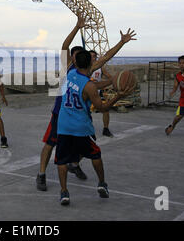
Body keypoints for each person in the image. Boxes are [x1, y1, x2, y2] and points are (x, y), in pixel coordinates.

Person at [36, 13, 137, 191]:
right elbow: (65, 45)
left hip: (81, 115)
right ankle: (42, 174)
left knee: (87, 144)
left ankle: (73, 164)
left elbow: (104, 60)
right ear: (73, 57)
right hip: (61, 113)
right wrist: (77, 26)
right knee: (51, 143)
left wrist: (121, 44)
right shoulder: (69, 67)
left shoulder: (86, 71)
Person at [56, 50, 134, 205]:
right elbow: (102, 107)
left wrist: (111, 81)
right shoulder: (90, 87)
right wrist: (118, 95)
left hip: (64, 126)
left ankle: (64, 192)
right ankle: (102, 183)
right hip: (81, 128)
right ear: (91, 64)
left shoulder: (69, 75)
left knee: (62, 161)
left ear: (75, 63)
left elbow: (89, 84)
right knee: (95, 155)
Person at [89, 50, 115, 138]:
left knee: (106, 109)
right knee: (86, 113)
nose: (93, 58)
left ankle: (106, 129)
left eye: (94, 56)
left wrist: (116, 80)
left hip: (98, 93)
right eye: (91, 56)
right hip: (87, 94)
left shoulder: (100, 68)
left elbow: (108, 76)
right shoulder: (85, 67)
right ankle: (89, 131)